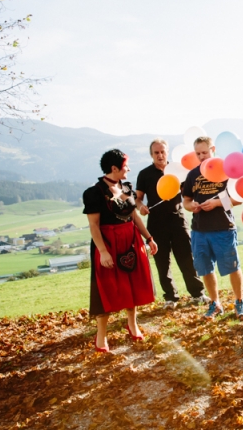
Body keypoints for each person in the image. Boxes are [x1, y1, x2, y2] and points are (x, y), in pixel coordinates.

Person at [84, 149, 157, 353]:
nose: (129, 169)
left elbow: (134, 217)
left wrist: (149, 238)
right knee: (106, 288)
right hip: (107, 242)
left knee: (131, 285)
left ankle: (132, 324)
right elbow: (94, 225)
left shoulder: (127, 187)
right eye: (125, 166)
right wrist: (103, 252)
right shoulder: (94, 192)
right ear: (114, 168)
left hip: (130, 241)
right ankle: (101, 335)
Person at [135, 138, 208, 309]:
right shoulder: (144, 174)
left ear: (167, 152)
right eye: (156, 153)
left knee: (187, 259)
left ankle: (198, 293)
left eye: (162, 152)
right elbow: (137, 199)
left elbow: (187, 194)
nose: (160, 155)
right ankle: (170, 297)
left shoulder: (177, 170)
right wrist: (141, 207)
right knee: (162, 262)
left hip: (178, 220)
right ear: (151, 154)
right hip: (156, 223)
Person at [182, 136, 243, 319]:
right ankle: (215, 303)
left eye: (205, 152)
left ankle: (239, 302)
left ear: (213, 149)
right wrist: (192, 205)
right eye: (198, 153)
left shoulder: (226, 171)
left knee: (233, 267)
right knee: (205, 269)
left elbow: (238, 197)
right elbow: (185, 200)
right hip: (199, 230)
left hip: (223, 228)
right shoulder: (192, 174)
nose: (202, 156)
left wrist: (217, 203)